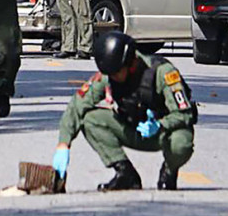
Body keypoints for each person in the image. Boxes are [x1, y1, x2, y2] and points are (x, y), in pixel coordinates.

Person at [51, 31, 196, 191]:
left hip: (161, 133)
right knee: (91, 119)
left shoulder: (163, 72)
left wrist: (160, 125)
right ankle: (126, 174)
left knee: (182, 141)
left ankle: (169, 170)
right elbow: (77, 105)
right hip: (130, 128)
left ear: (130, 63)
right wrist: (63, 145)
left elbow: (184, 113)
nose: (112, 77)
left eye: (116, 73)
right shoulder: (110, 74)